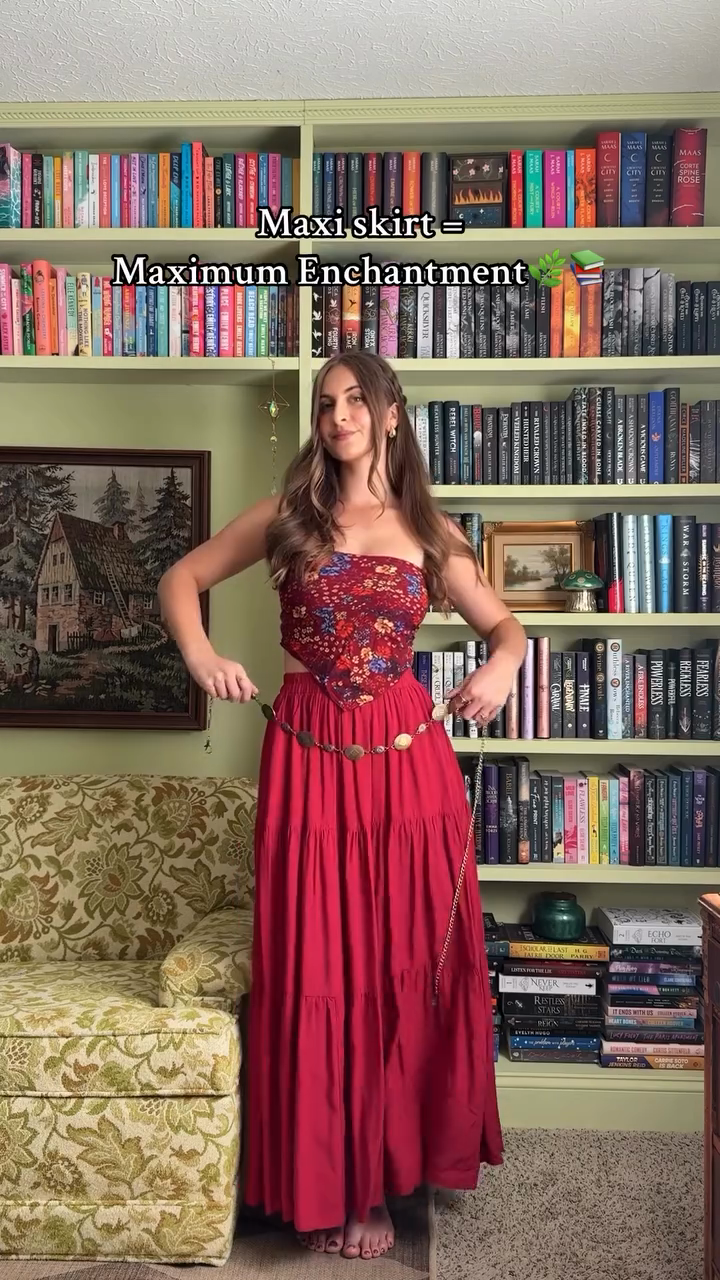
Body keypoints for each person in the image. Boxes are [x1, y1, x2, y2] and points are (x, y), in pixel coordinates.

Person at [157, 350, 527, 1261]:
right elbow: (180, 579)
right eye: (327, 403)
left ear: (392, 414)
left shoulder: (429, 528)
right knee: (319, 962)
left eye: (358, 400)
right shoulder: (288, 515)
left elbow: (506, 626)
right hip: (309, 755)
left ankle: (384, 1184)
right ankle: (332, 1180)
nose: (339, 416)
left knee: (402, 961)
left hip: (408, 764)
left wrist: (502, 665)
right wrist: (202, 657)